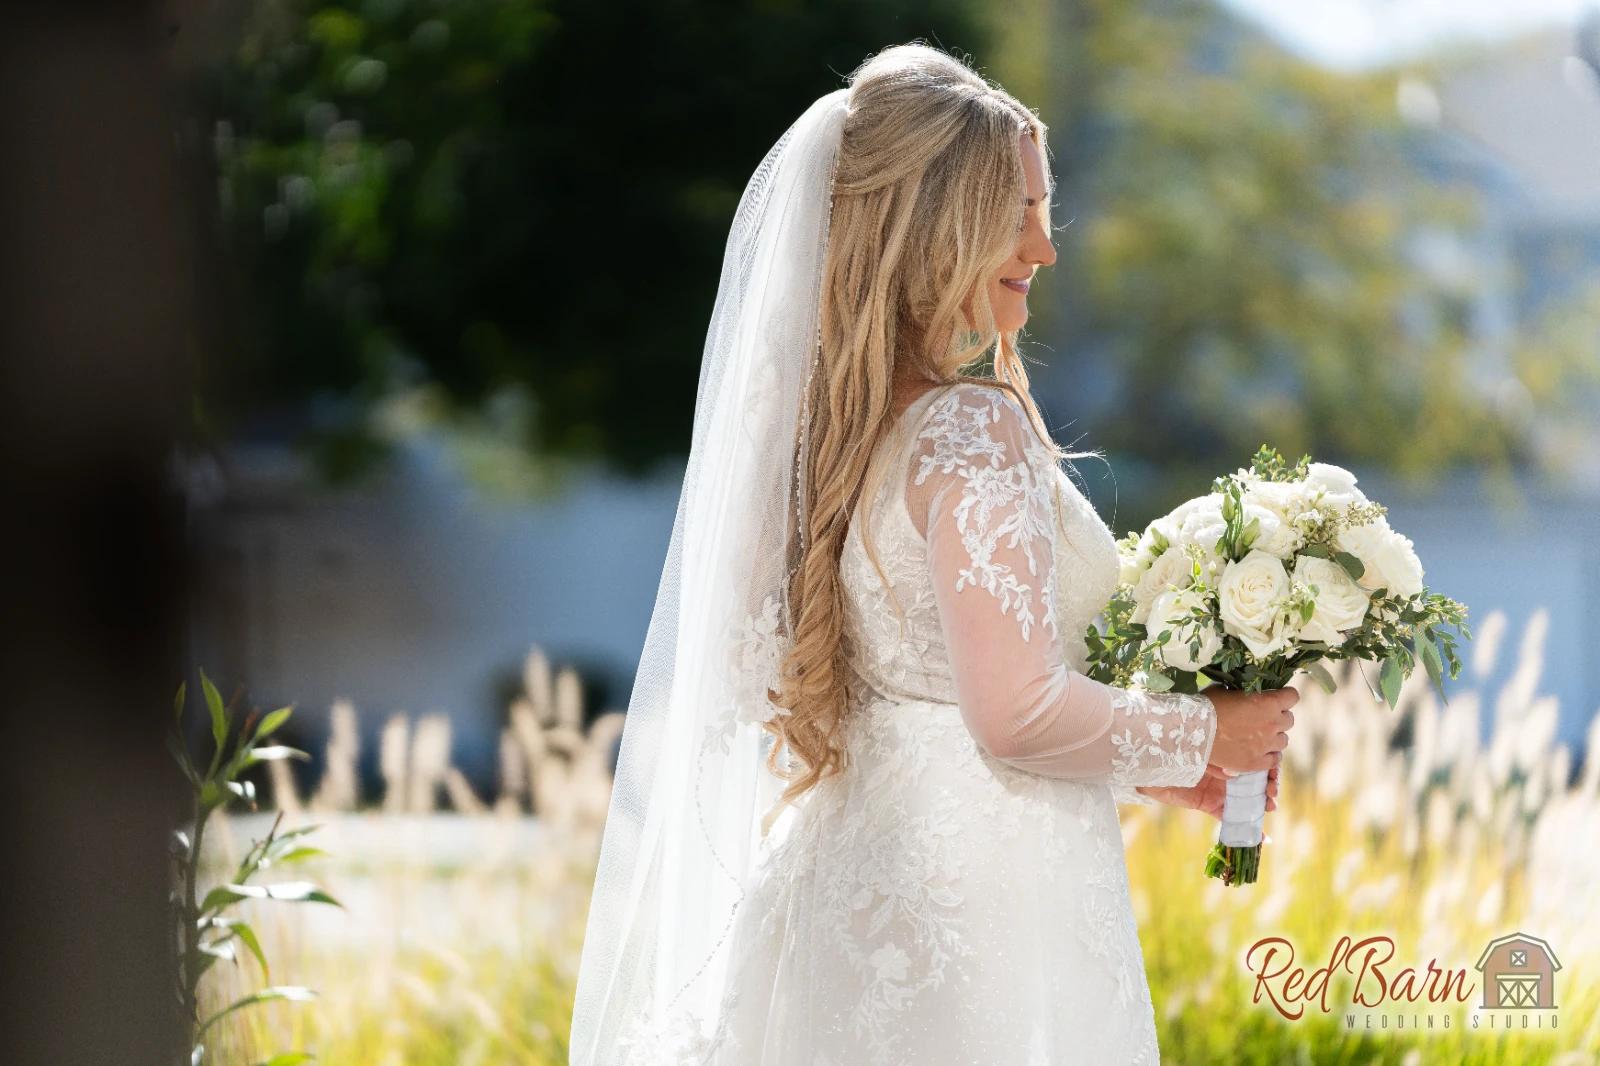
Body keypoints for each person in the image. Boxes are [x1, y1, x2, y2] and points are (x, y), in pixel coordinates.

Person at [569, 42, 1297, 1065]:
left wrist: (1147, 766)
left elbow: (932, 696)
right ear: (932, 224)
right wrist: (1210, 731)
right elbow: (1012, 714)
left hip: (846, 893)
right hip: (978, 928)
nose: (1044, 248)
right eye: (1018, 215)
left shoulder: (829, 438)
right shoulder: (969, 430)